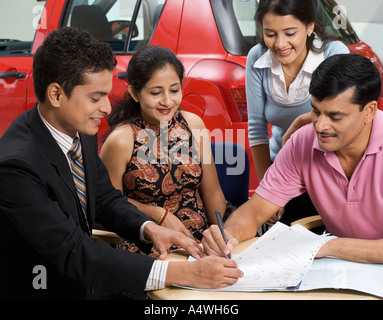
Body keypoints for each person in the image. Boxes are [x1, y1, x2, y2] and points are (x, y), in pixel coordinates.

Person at [0, 27, 242, 300]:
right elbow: (73, 250)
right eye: (96, 98)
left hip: (86, 277)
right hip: (46, 287)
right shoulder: (16, 167)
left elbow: (104, 198)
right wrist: (184, 273)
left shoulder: (78, 129)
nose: (106, 108)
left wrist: (149, 229)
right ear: (56, 95)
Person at [202, 53, 383, 264]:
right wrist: (229, 235)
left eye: (335, 117)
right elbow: (255, 211)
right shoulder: (303, 141)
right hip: (338, 268)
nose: (320, 126)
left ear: (369, 111)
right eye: (315, 111)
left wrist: (327, 245)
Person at [100, 46, 226, 257]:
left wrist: (220, 235)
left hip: (199, 244)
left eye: (174, 90)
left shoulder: (193, 125)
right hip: (149, 247)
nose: (167, 101)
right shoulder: (121, 140)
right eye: (156, 93)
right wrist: (157, 214)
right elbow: (108, 204)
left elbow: (212, 191)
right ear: (135, 93)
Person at [247, 0, 349, 225]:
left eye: (290, 32)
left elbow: (344, 118)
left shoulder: (334, 54)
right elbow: (256, 130)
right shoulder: (257, 58)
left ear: (309, 26)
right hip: (283, 169)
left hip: (330, 170)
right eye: (270, 34)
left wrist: (299, 123)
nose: (280, 43)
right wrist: (269, 190)